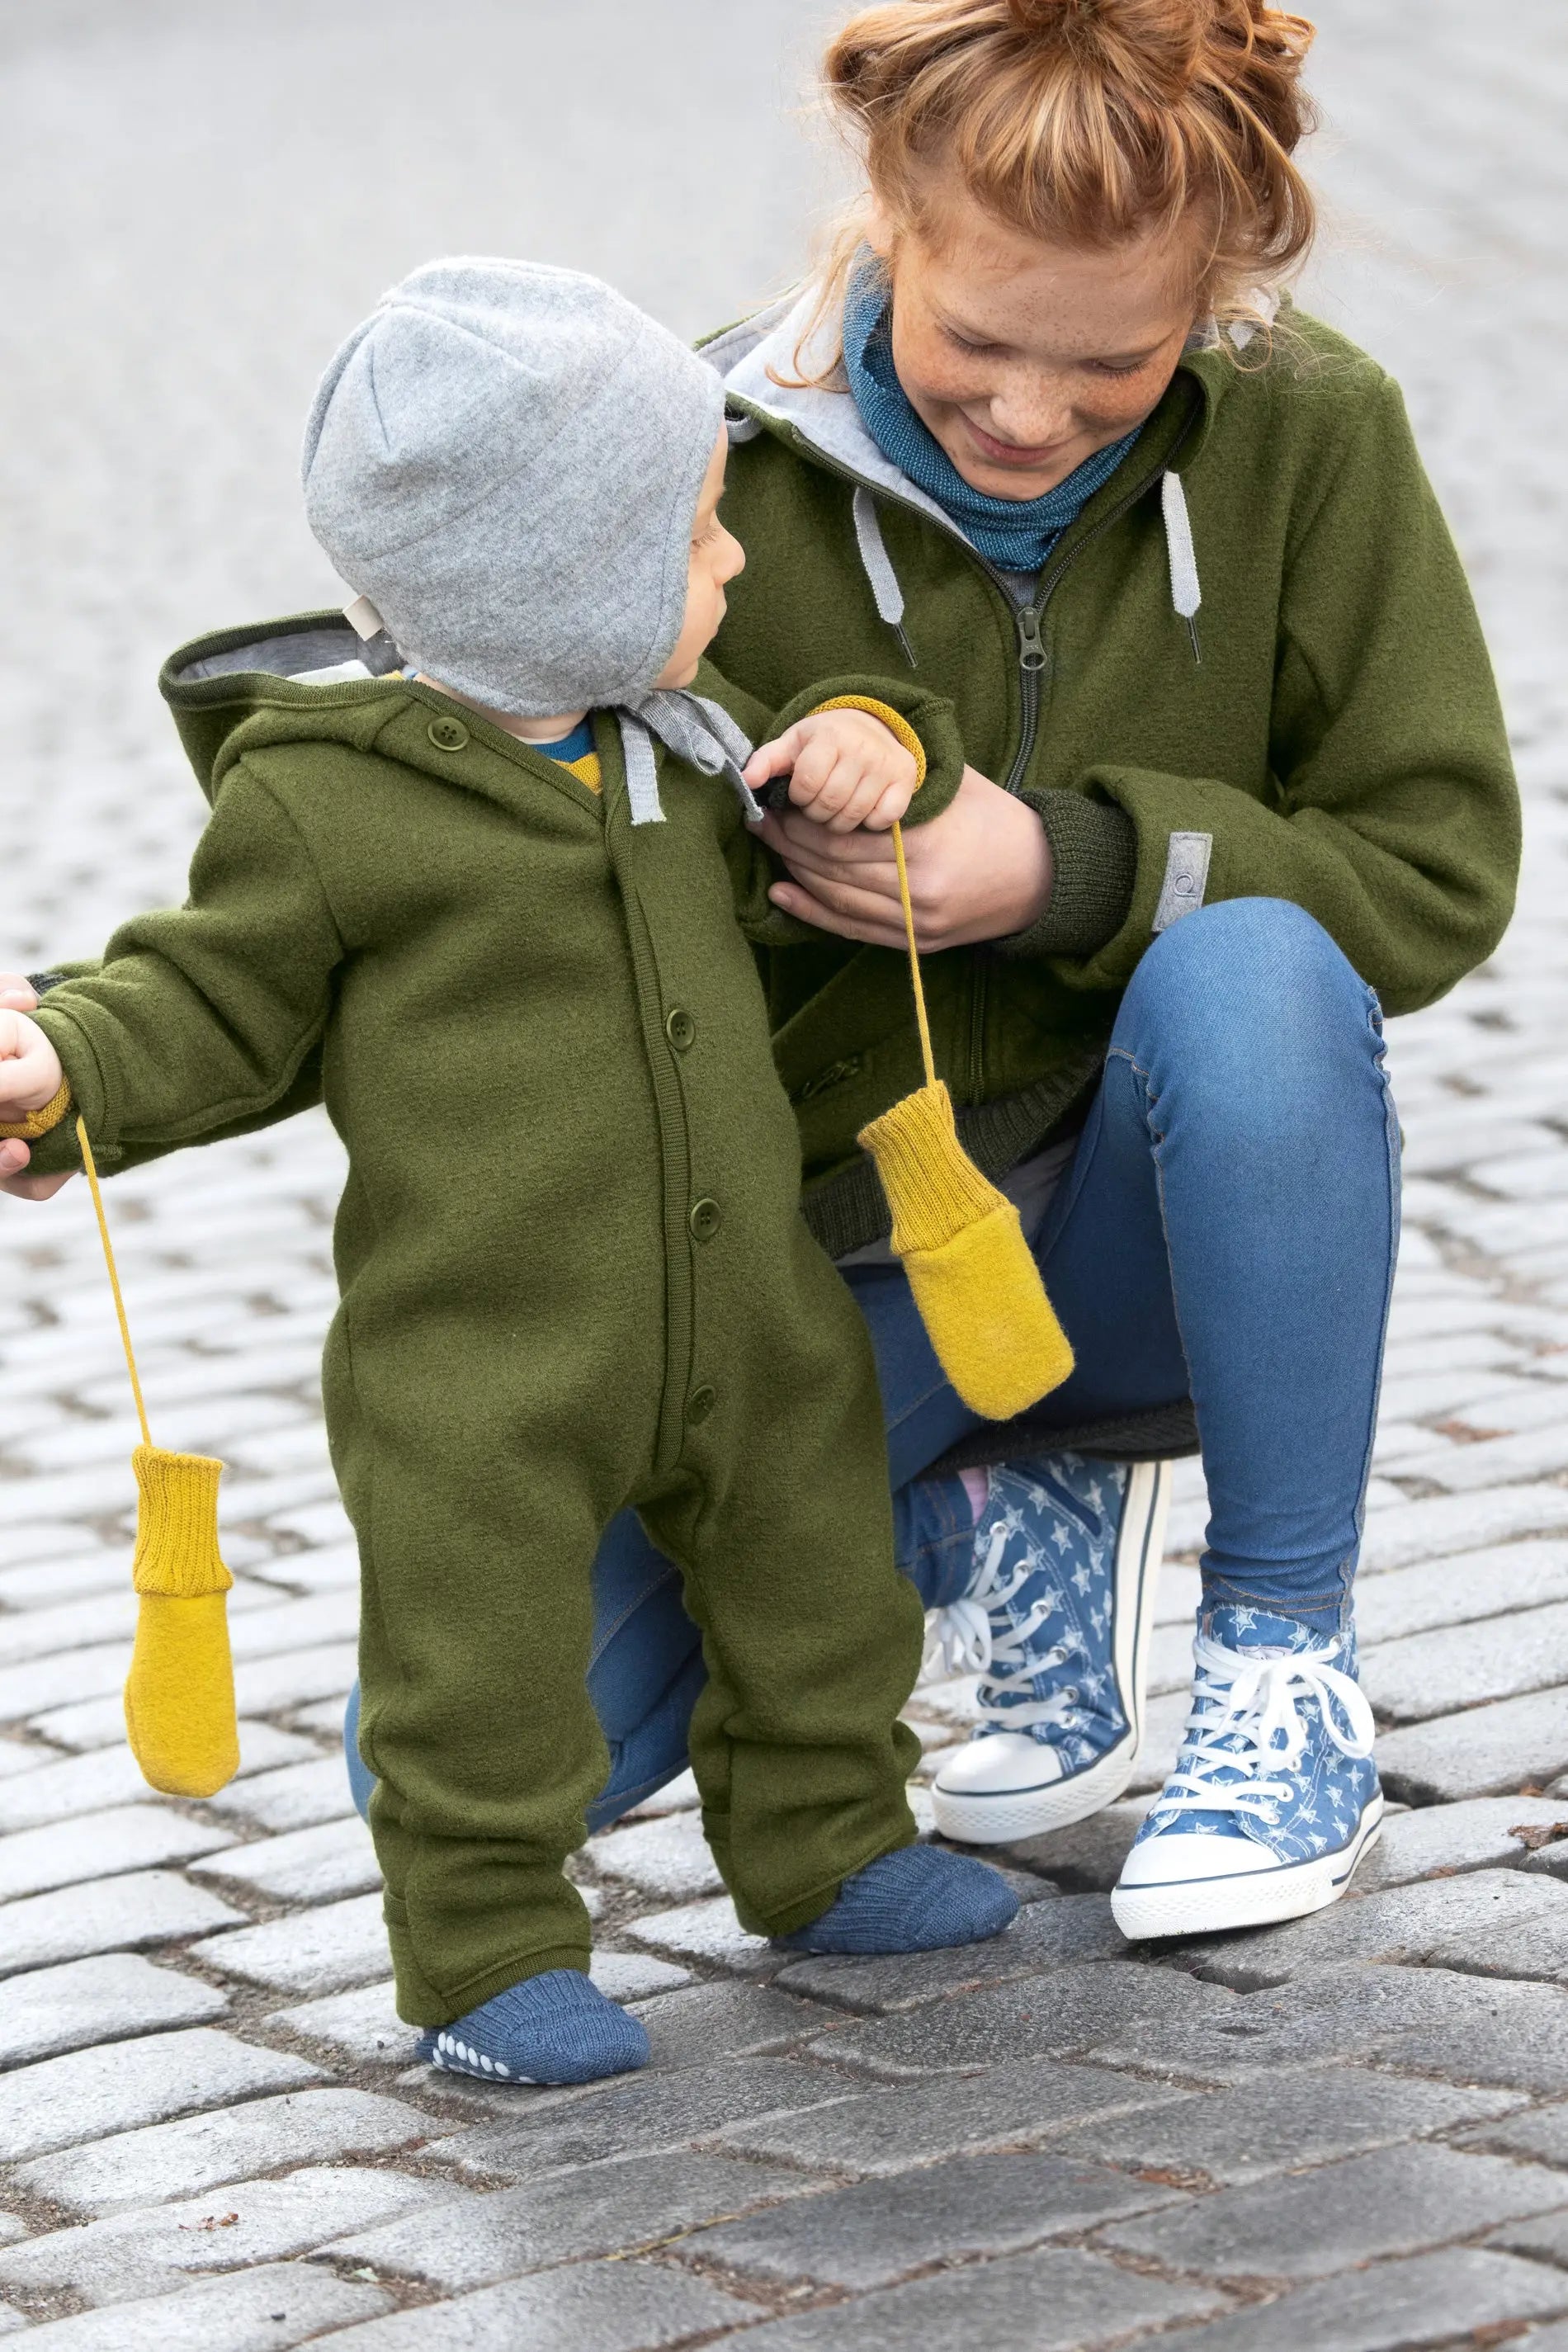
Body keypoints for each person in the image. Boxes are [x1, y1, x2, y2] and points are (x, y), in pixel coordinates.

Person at [0, 257, 1021, 2089]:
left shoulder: (681, 739)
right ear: (565, 582)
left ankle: (828, 1844)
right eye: (699, 543)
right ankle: (481, 1950)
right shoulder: (331, 804)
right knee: (474, 1668)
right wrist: (69, 1063)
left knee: (815, 1586)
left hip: (743, 1309)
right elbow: (210, 997)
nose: (730, 573)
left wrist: (883, 739)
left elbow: (856, 722)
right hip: (482, 1360)